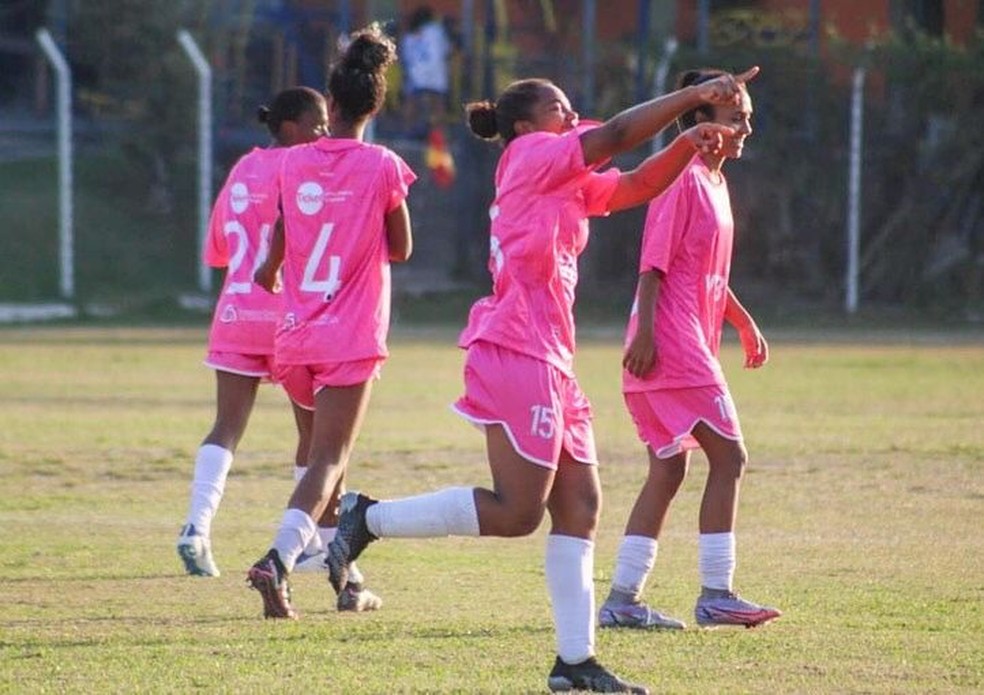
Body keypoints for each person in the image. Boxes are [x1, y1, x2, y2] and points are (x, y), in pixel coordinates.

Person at [326, 68, 759, 693]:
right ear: (526, 127)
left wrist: (687, 144)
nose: (570, 109)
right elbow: (612, 134)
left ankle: (575, 663)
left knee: (580, 506)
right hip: (514, 347)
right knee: (517, 512)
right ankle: (367, 517)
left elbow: (635, 183)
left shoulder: (563, 175)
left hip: (551, 358)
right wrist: (694, 99)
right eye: (559, 105)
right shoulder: (530, 156)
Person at [597, 69, 781, 632]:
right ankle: (717, 593)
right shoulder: (681, 177)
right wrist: (647, 333)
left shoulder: (717, 185)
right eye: (735, 117)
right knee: (730, 458)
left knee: (669, 469)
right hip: (672, 349)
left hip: (681, 345)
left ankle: (623, 599)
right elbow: (653, 264)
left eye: (746, 116)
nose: (746, 126)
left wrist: (744, 324)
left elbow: (707, 276)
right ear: (701, 124)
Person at [246, 23, 415, 620]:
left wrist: (270, 269)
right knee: (328, 461)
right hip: (349, 336)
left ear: (332, 104)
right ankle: (278, 561)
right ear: (374, 105)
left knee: (320, 457)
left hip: (294, 335)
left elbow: (284, 229)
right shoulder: (383, 165)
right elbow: (401, 247)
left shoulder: (292, 164)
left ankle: (347, 581)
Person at [176, 86, 329, 578]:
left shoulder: (243, 168)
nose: (325, 131)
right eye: (318, 122)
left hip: (238, 313)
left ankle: (196, 529)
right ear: (291, 127)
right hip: (289, 318)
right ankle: (305, 547)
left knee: (226, 427)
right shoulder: (306, 169)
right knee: (313, 435)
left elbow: (219, 248)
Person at [400, 5, 450, 137]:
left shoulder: (409, 35)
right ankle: (438, 132)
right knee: (437, 104)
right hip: (435, 73)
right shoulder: (436, 31)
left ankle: (408, 129)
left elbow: (406, 57)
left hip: (416, 73)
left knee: (412, 101)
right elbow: (446, 49)